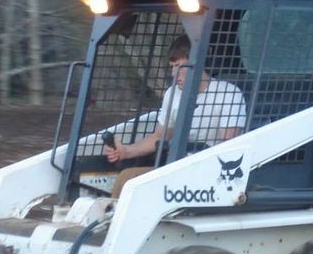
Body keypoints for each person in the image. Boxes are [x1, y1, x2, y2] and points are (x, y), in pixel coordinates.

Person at [105, 34, 246, 197]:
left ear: (197, 63)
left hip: (211, 172)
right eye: (172, 67)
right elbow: (160, 136)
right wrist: (126, 151)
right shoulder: (172, 94)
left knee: (130, 179)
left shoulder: (227, 93)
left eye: (178, 66)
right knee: (127, 178)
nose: (174, 73)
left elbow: (228, 145)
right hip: (176, 167)